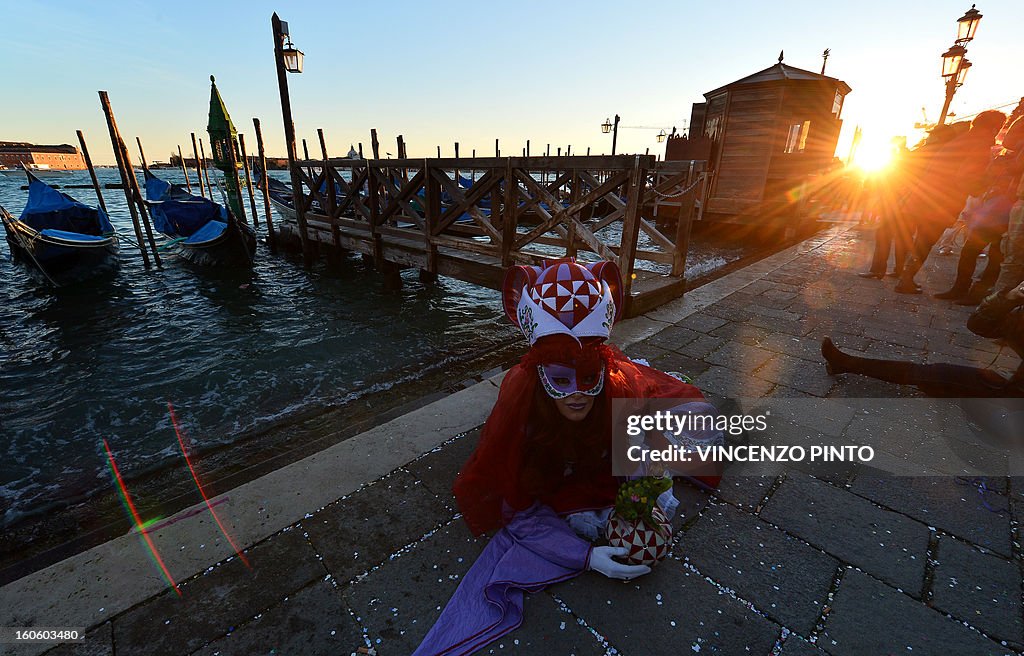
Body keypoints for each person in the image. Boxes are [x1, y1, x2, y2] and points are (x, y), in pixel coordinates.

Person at [414, 258, 723, 656]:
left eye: (589, 376)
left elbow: (634, 465)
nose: (576, 393)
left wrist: (642, 506)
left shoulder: (617, 395)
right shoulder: (523, 410)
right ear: (541, 375)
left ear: (603, 371)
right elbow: (519, 509)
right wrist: (587, 556)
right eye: (561, 379)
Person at [895, 111, 1006, 294]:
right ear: (994, 127)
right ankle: (905, 280)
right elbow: (965, 176)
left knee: (920, 240)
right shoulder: (979, 144)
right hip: (942, 201)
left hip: (926, 195)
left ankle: (905, 278)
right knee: (925, 242)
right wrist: (984, 186)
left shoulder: (961, 140)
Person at [935, 117, 1024, 304]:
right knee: (984, 251)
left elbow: (1016, 167)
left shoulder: (1012, 151)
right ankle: (966, 290)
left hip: (1009, 205)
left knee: (993, 253)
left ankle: (975, 293)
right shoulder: (1007, 151)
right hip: (998, 204)